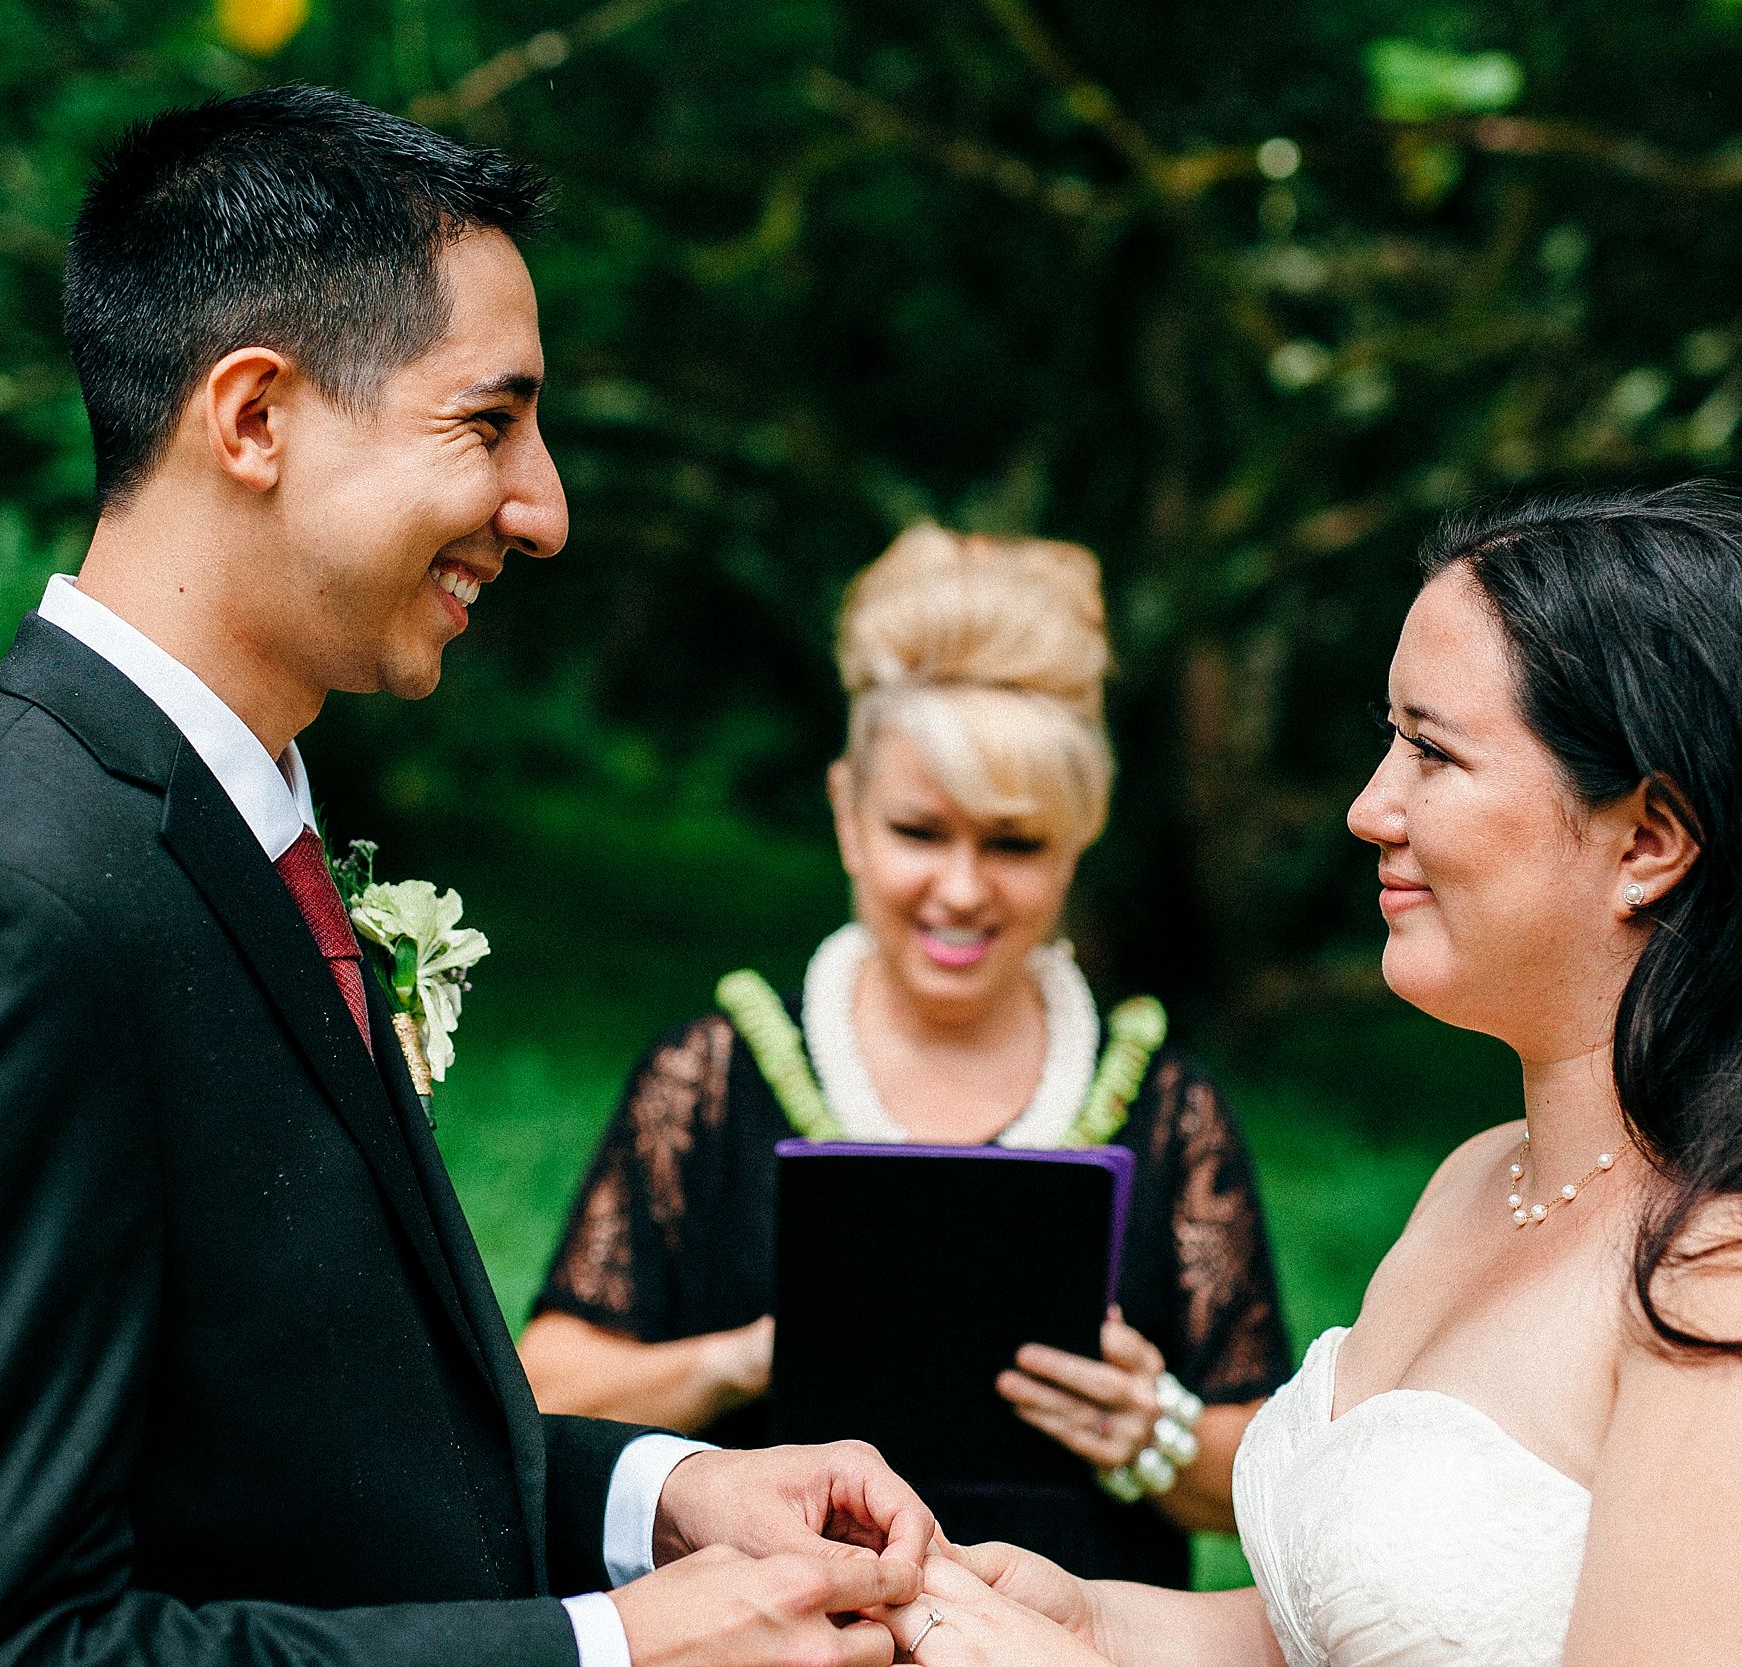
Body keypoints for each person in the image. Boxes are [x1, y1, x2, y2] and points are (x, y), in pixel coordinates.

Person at [0, 87, 938, 1667]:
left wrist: (667, 1493)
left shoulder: (227, 828)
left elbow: (301, 1454)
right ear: (252, 419)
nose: (545, 507)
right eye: (488, 422)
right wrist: (613, 1650)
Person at [867, 487, 1742, 1666]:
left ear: (1648, 836)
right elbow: (1347, 1631)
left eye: (1432, 751)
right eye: (1390, 741)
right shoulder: (1481, 1178)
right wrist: (1086, 1616)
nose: (1372, 807)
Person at [517, 524, 1294, 1585]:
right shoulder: (710, 1078)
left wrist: (1150, 1430)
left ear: (1081, 833)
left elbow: (1271, 1482)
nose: (962, 889)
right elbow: (543, 1390)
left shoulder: (1169, 1111)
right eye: (920, 832)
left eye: (1012, 842)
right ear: (846, 814)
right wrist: (743, 1358)